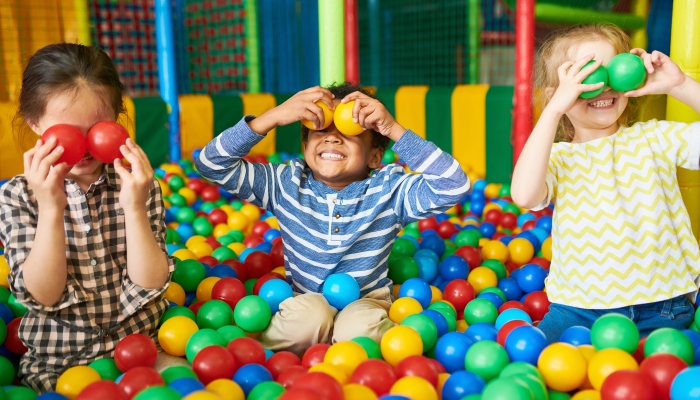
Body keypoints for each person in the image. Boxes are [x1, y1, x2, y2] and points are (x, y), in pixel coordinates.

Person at [195, 83, 470, 356]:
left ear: (375, 156)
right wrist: (271, 118)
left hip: (365, 301)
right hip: (304, 300)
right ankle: (266, 357)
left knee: (357, 330)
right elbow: (210, 164)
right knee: (308, 320)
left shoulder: (389, 190)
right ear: (305, 147)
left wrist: (392, 129)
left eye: (349, 131)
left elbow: (454, 185)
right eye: (321, 130)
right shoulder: (284, 183)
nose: (332, 138)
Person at [0, 43, 185, 392]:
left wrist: (135, 205)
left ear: (117, 117)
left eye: (100, 127)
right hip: (61, 365)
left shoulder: (138, 183)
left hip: (142, 348)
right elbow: (44, 296)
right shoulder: (17, 195)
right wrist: (51, 207)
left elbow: (150, 282)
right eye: (69, 131)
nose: (86, 146)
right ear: (35, 123)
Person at [511, 24, 700, 343]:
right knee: (535, 362)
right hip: (578, 311)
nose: (601, 86)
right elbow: (524, 194)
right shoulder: (558, 158)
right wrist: (553, 109)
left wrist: (680, 85)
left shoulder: (654, 138)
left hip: (661, 305)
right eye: (584, 77)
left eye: (610, 72)